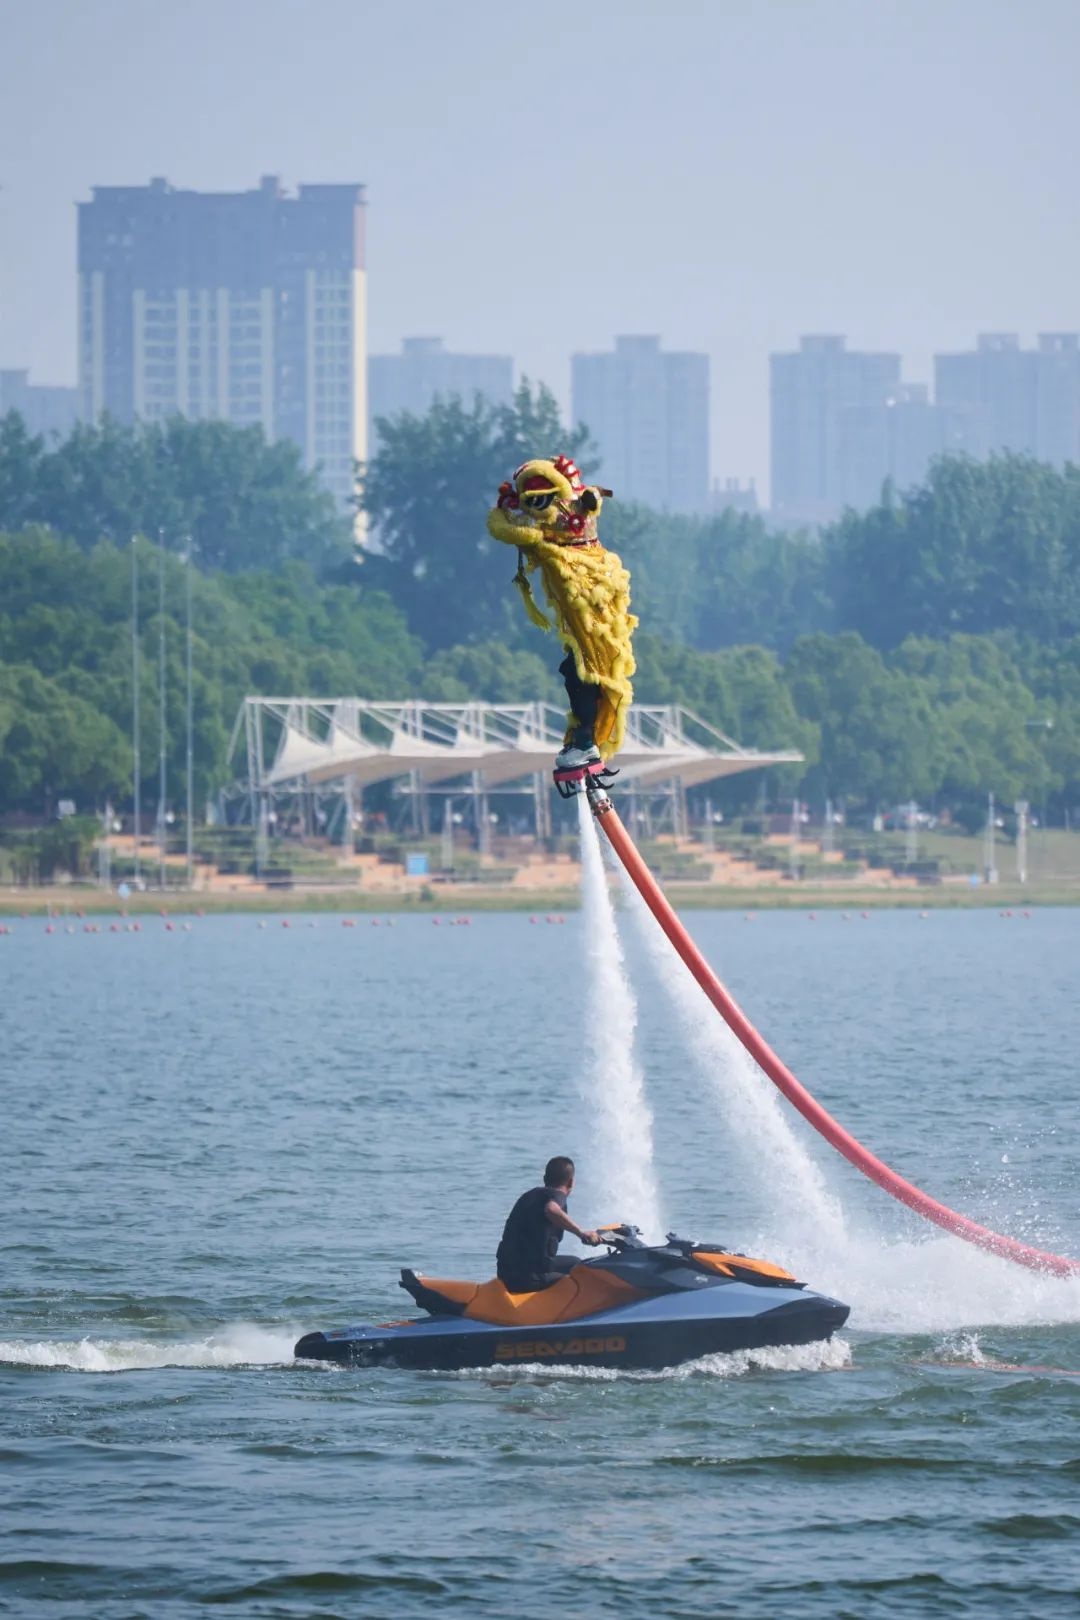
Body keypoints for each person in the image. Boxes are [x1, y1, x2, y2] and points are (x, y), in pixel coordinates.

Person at [496, 1155, 602, 1293]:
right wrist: (581, 1233)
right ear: (571, 1183)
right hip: (527, 1278)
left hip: (507, 1273)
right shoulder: (557, 1196)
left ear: (545, 1179)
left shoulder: (529, 1195)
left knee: (576, 1263)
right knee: (583, 1277)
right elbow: (551, 1210)